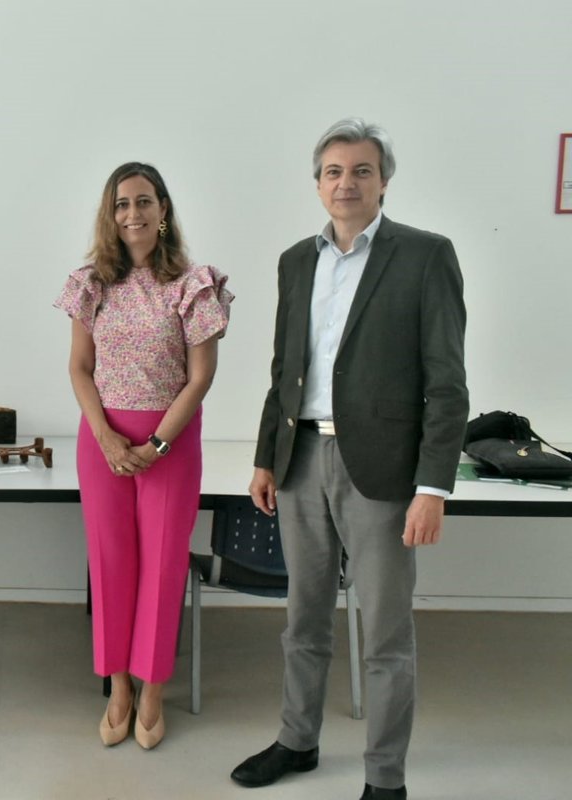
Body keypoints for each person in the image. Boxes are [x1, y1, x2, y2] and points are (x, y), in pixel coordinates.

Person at [231, 118, 468, 800]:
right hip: (300, 459)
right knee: (302, 621)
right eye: (333, 172)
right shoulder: (295, 262)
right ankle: (297, 740)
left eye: (362, 170)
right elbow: (284, 371)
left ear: (383, 181)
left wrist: (433, 487)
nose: (346, 183)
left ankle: (385, 779)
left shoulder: (425, 255)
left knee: (386, 635)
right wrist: (266, 459)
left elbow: (447, 384)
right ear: (317, 185)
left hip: (384, 471)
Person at [54, 162, 233, 750]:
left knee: (162, 564)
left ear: (163, 210)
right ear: (111, 214)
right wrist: (107, 439)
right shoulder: (91, 284)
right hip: (102, 441)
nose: (133, 213)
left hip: (169, 443)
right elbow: (80, 368)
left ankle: (153, 687)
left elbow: (201, 377)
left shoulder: (193, 284)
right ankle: (119, 687)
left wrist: (157, 444)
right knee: (110, 562)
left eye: (144, 201)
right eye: (122, 203)